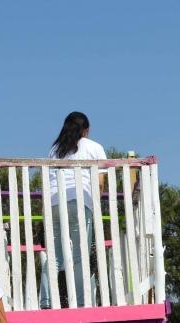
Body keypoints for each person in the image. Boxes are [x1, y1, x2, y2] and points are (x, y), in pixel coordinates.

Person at [40, 111, 107, 309]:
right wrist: (95, 204)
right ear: (86, 130)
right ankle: (80, 302)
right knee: (80, 256)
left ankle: (46, 301)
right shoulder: (94, 147)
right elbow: (100, 183)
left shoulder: (56, 148)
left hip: (53, 203)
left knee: (54, 256)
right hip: (79, 202)